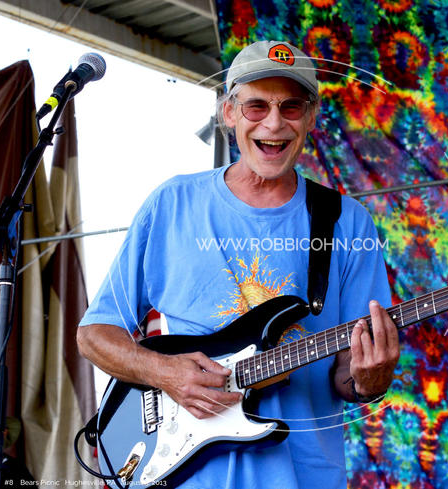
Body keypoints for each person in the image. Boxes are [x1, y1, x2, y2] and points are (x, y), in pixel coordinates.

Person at [77, 40, 399, 489]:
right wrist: (165, 373)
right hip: (183, 477)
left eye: (291, 107)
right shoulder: (172, 203)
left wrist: (371, 379)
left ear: (310, 118)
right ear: (229, 113)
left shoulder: (346, 221)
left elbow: (349, 377)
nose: (274, 123)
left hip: (302, 477)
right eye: (256, 106)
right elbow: (95, 334)